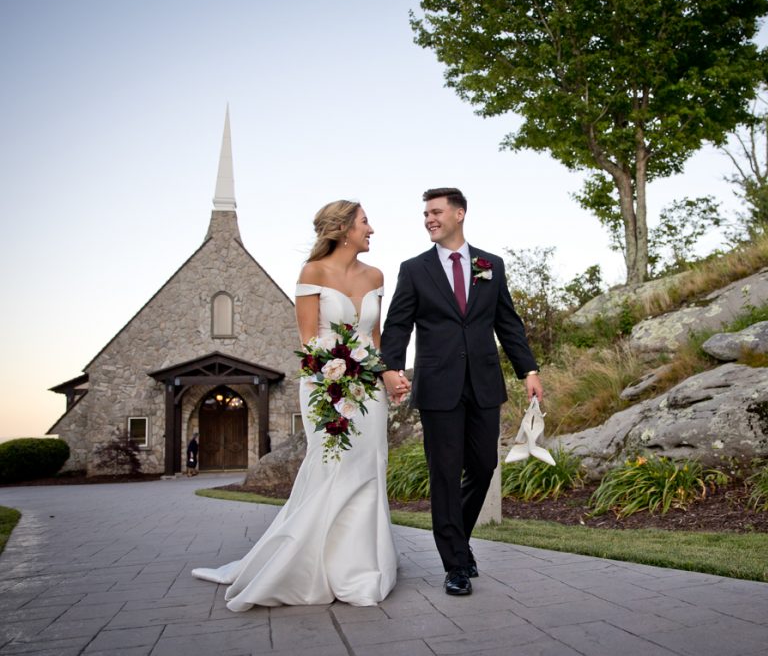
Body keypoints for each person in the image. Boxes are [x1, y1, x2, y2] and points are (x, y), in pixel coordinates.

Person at [193, 200, 398, 611]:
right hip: (326, 386)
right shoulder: (312, 274)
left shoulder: (376, 275)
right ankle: (307, 566)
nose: (371, 229)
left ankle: (359, 567)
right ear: (342, 229)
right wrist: (336, 378)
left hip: (368, 391)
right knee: (332, 467)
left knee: (367, 467)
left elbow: (374, 339)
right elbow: (308, 342)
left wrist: (388, 375)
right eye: (364, 222)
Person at [381, 187, 542, 596]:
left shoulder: (491, 265)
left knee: (484, 466)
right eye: (425, 214)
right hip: (438, 387)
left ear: (459, 214)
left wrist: (529, 370)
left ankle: (460, 539)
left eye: (436, 212)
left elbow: (508, 322)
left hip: (484, 384)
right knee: (444, 476)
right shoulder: (414, 269)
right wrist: (391, 369)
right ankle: (454, 563)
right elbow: (398, 324)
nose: (429, 219)